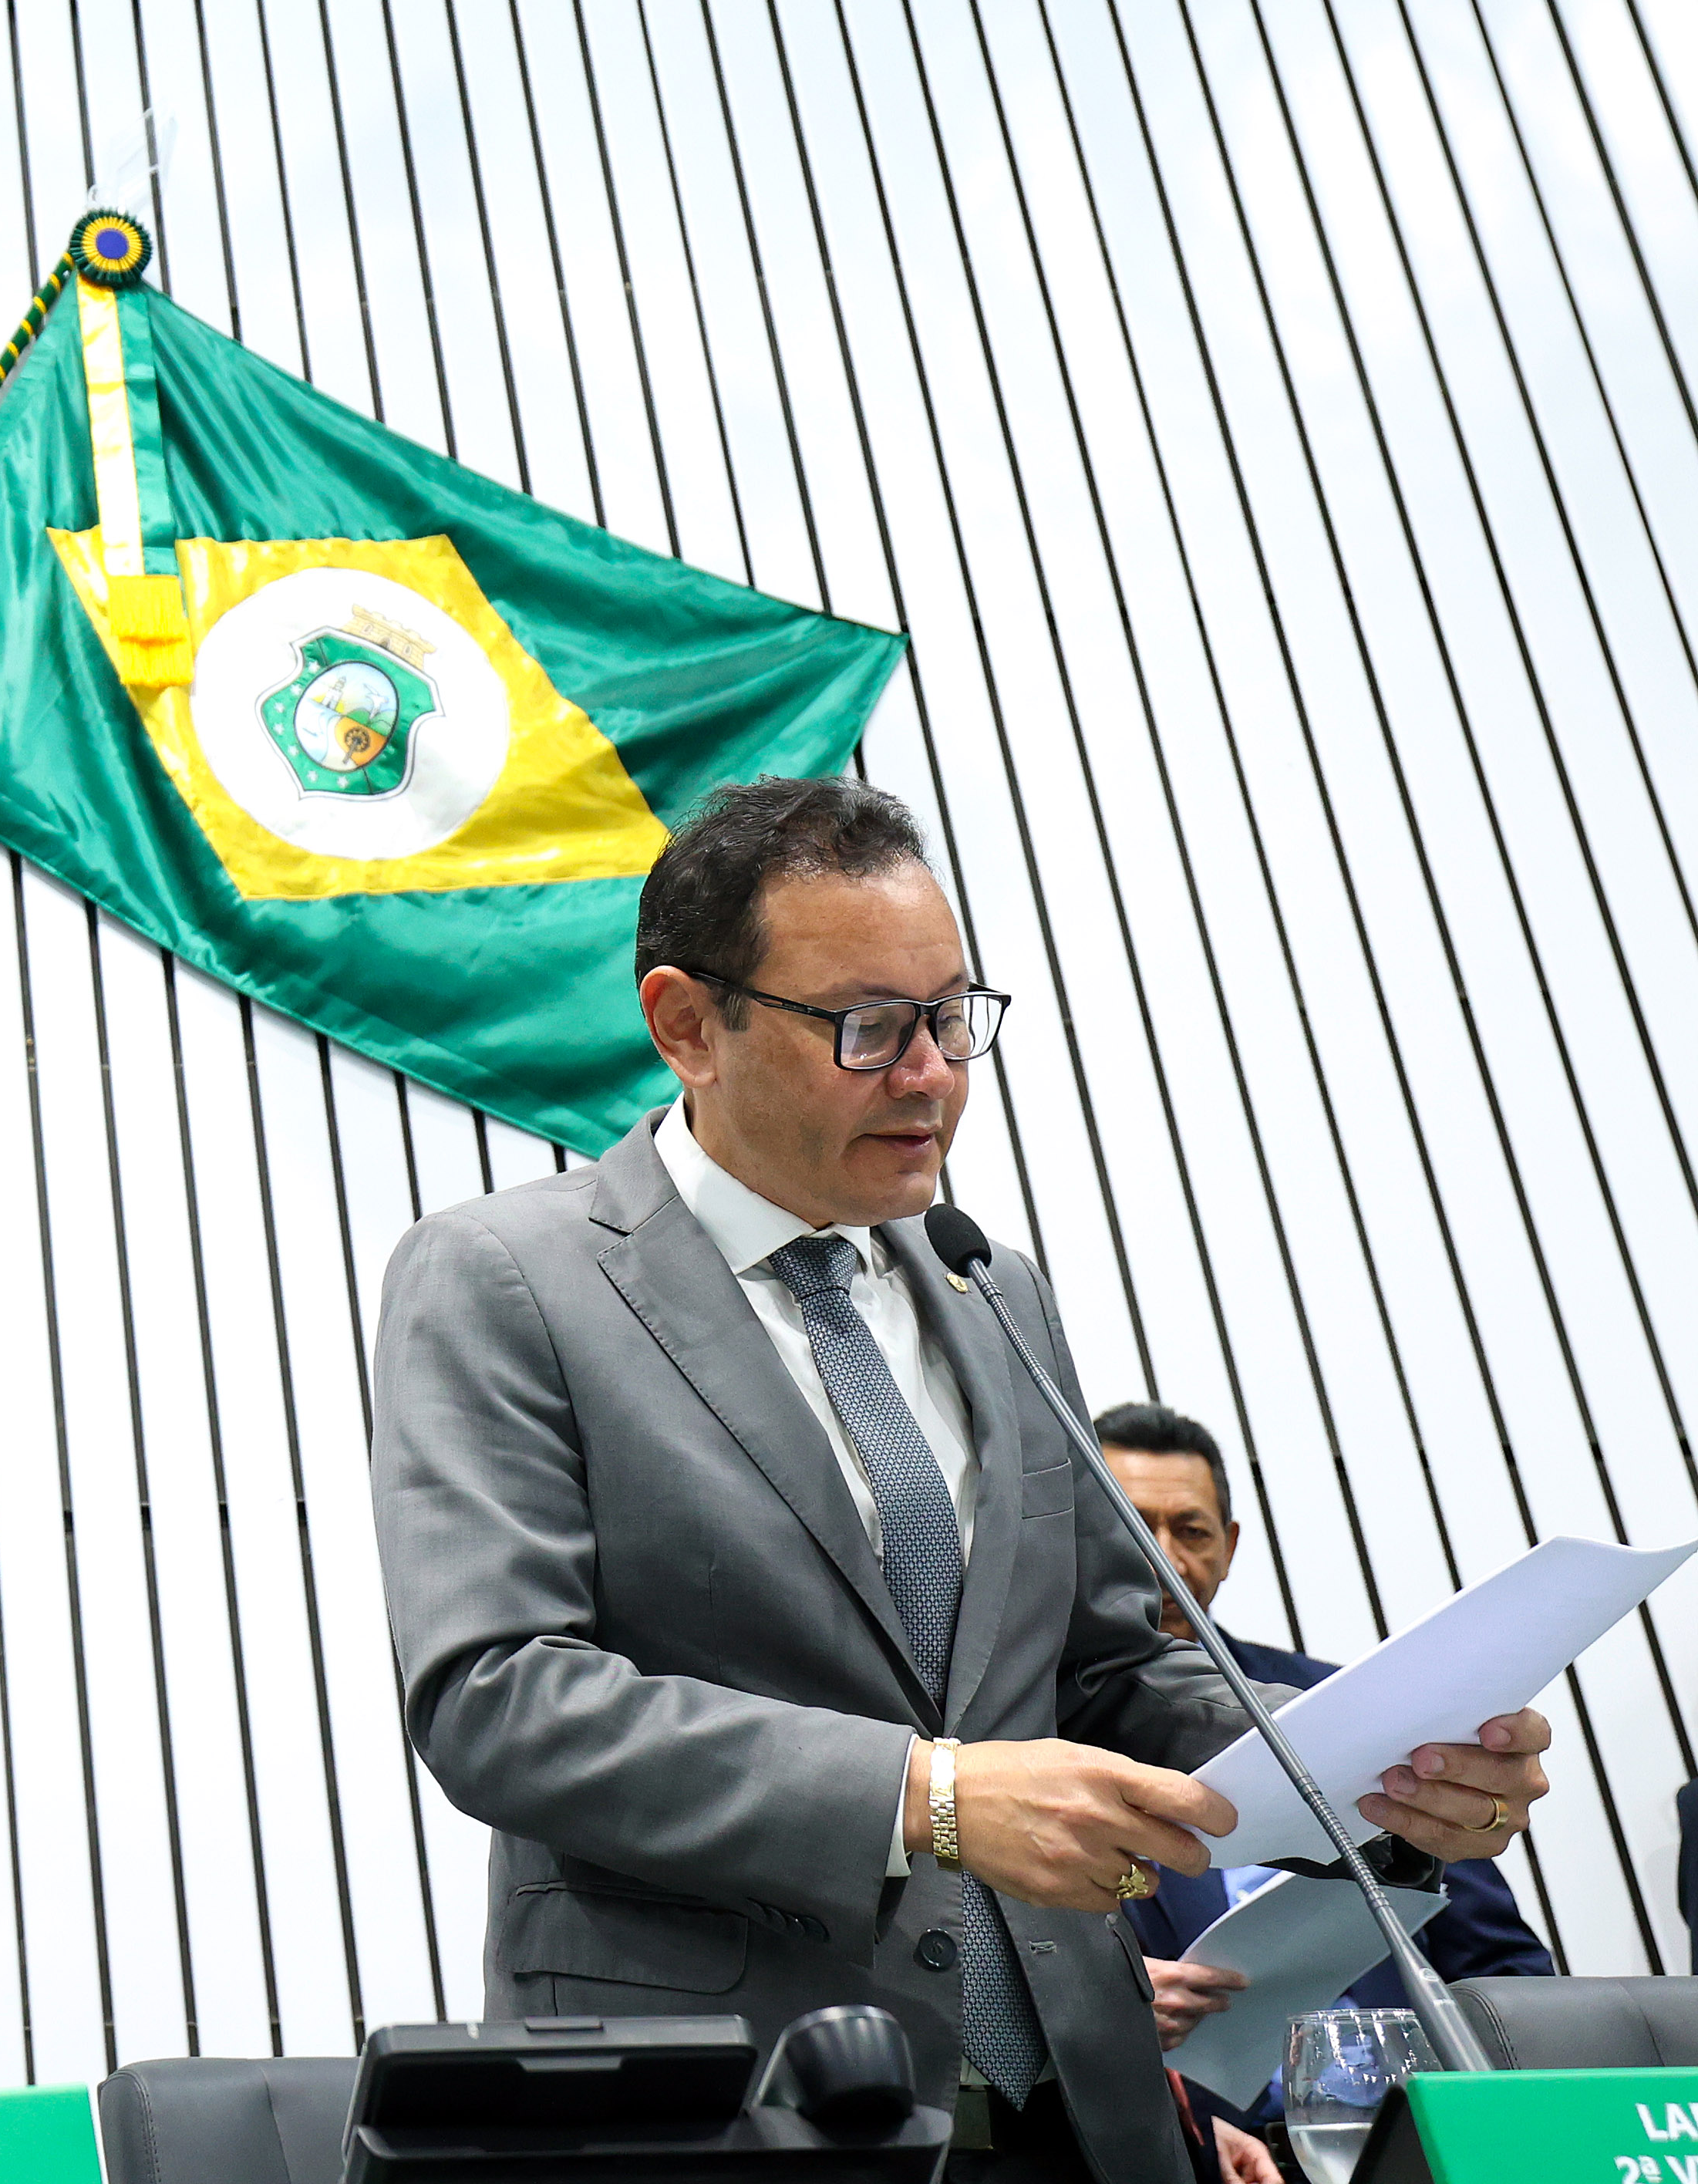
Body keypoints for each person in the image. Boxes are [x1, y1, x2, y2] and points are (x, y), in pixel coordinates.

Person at [369, 777, 1555, 2184]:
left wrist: (1366, 1772)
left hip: (1084, 2111)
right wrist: (925, 1794)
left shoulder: (991, 1286)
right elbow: (498, 1694)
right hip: (738, 2106)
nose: (929, 1073)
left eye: (951, 1016)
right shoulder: (507, 1276)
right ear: (687, 1025)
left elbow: (1106, 1672)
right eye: (867, 1026)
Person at [1095, 1402, 1551, 2125]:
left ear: (1230, 1546)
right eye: (1131, 1526)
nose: (1166, 1559)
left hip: (1407, 2125)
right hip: (1194, 2138)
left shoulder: (1345, 1702)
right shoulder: (1034, 1732)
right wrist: (1102, 2001)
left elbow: (1500, 1966)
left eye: (1191, 1531)